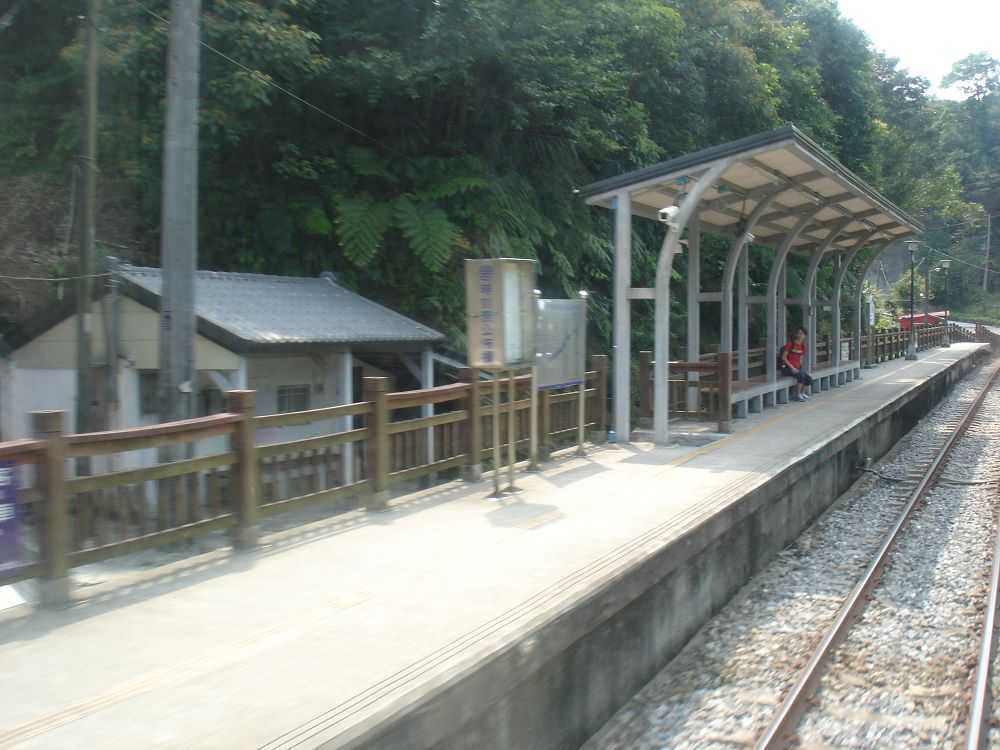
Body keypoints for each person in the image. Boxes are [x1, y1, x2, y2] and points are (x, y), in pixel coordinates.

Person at [781, 327, 814, 402]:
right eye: (798, 333)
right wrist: (792, 368)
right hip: (788, 368)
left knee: (809, 379)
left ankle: (802, 393)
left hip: (797, 368)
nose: (800, 335)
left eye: (802, 334)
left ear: (805, 335)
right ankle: (798, 395)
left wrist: (799, 368)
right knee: (801, 376)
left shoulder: (802, 346)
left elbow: (801, 358)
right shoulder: (791, 344)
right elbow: (784, 357)